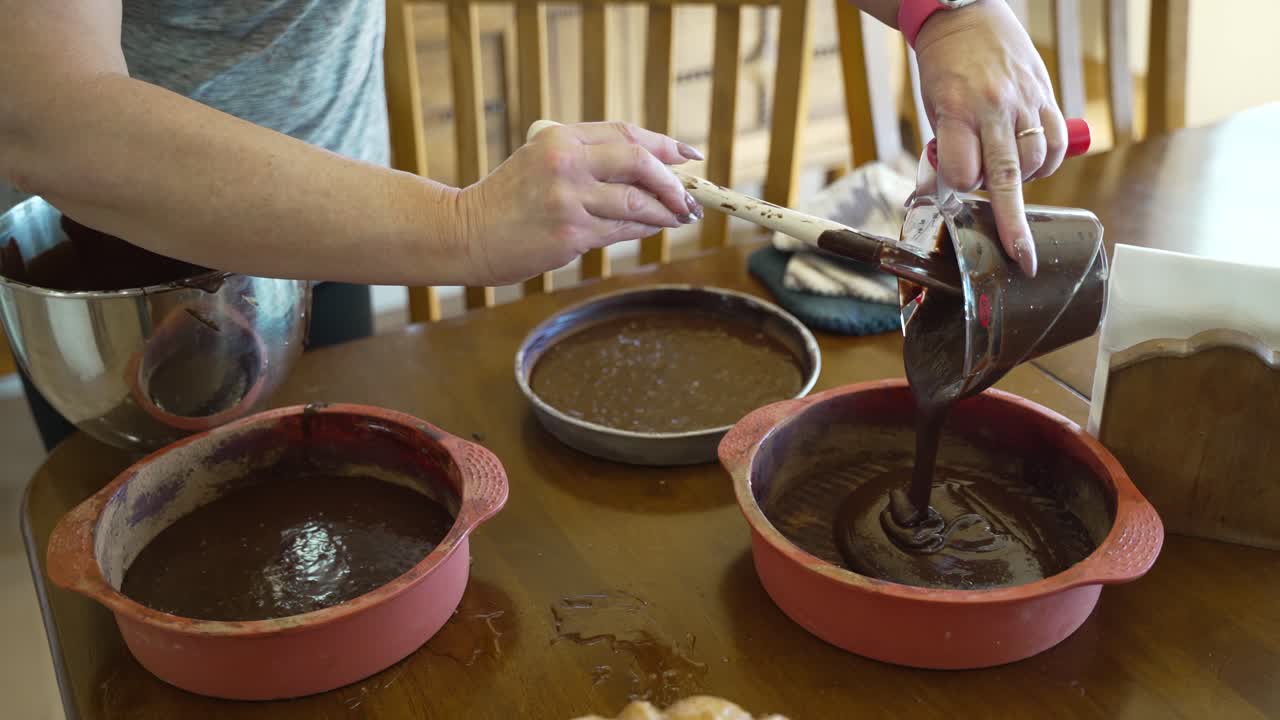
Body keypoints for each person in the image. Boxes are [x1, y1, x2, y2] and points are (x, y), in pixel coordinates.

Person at [0, 0, 1063, 451]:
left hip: (327, 240)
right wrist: (463, 228)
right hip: (100, 270)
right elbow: (45, 117)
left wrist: (949, 10)